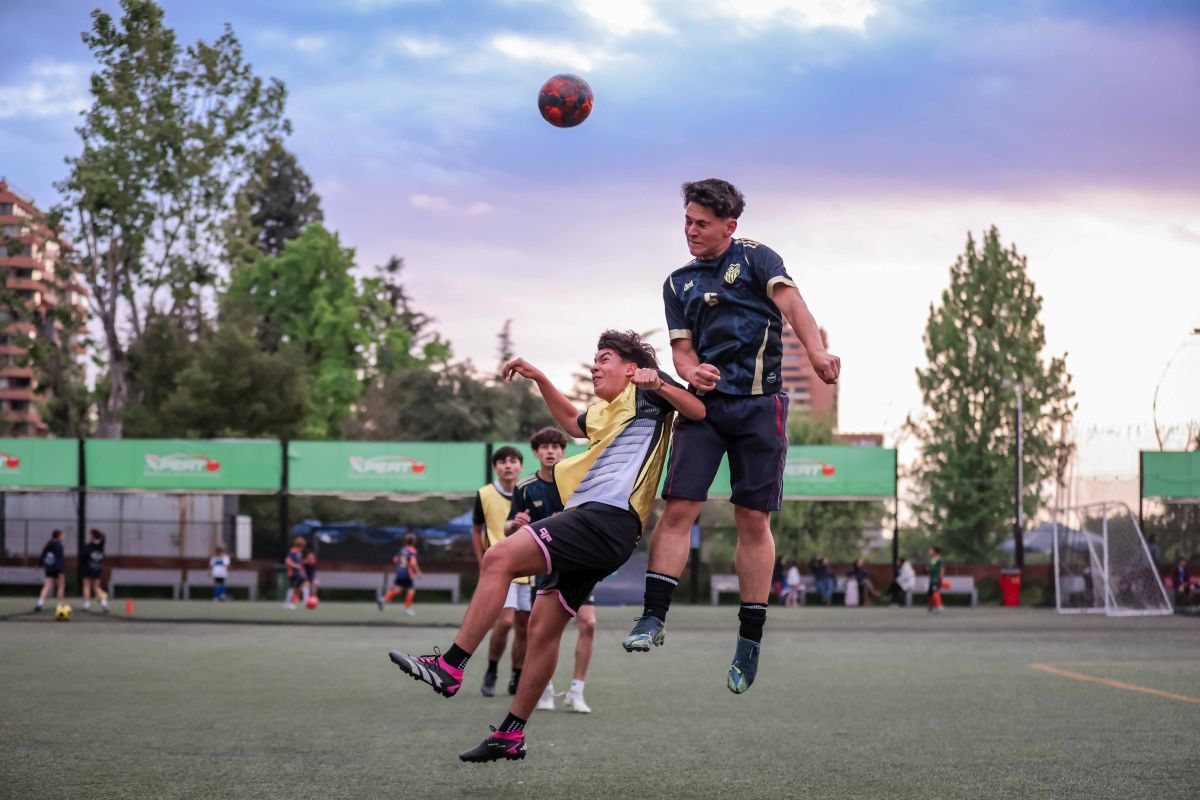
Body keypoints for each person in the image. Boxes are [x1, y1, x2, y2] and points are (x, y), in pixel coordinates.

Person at [387, 330, 704, 763]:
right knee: (542, 629)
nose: (595, 366)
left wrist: (661, 383)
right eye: (594, 359)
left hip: (605, 518)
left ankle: (450, 665)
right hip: (603, 529)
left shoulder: (649, 393)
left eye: (604, 358)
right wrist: (539, 377)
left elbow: (697, 410)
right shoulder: (607, 410)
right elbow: (573, 423)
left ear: (631, 368)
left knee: (499, 557)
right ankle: (510, 734)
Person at [623, 178, 840, 695]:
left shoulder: (758, 258)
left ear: (729, 226)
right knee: (679, 508)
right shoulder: (677, 283)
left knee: (752, 519)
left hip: (762, 407)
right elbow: (681, 352)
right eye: (687, 221)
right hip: (706, 409)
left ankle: (749, 640)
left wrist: (816, 353)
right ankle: (653, 617)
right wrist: (691, 371)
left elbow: (794, 307)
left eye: (702, 223)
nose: (691, 231)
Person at [507, 426, 596, 714]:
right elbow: (508, 527)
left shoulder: (577, 479)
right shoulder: (525, 487)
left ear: (563, 451)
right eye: (544, 447)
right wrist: (515, 524)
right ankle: (544, 690)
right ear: (535, 453)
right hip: (545, 565)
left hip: (578, 563)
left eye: (555, 447)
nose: (550, 451)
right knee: (542, 633)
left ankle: (576, 692)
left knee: (589, 624)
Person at [474, 445, 528, 697]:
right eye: (503, 461)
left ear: (521, 466)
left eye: (513, 461)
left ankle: (517, 674)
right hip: (501, 570)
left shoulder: (529, 491)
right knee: (505, 622)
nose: (508, 465)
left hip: (530, 569)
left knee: (524, 626)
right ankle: (492, 669)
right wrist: (482, 562)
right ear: (496, 467)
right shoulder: (484, 494)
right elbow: (476, 530)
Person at [379, 533, 421, 615]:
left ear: (406, 541)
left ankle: (382, 599)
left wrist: (401, 565)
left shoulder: (403, 549)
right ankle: (407, 609)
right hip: (407, 573)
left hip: (399, 572)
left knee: (398, 589)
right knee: (411, 590)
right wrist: (418, 572)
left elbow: (395, 559)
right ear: (414, 542)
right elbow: (413, 563)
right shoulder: (412, 550)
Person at [34, 529, 66, 612]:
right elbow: (59, 559)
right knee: (61, 586)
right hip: (57, 569)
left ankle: (39, 603)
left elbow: (43, 555)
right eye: (62, 535)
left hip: (49, 568)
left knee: (47, 586)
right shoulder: (59, 545)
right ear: (58, 536)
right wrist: (60, 570)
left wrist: (39, 564)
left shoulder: (49, 544)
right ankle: (60, 605)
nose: (63, 536)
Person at [81, 528, 110, 613]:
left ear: (93, 536)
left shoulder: (89, 546)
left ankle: (86, 605)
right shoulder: (101, 545)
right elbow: (103, 558)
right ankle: (104, 603)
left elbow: (83, 556)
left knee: (86, 585)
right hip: (97, 568)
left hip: (88, 568)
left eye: (90, 535)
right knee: (96, 587)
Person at [283, 537, 306, 610]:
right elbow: (287, 561)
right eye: (302, 545)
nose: (302, 547)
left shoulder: (299, 553)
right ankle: (289, 603)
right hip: (293, 573)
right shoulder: (292, 551)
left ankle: (290, 602)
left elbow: (300, 564)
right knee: (293, 588)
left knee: (300, 586)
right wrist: (295, 565)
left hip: (298, 574)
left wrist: (302, 571)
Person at [928, 546, 945, 614]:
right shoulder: (931, 559)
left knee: (935, 591)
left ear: (935, 551)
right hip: (931, 579)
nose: (929, 552)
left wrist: (941, 578)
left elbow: (942, 569)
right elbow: (931, 568)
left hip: (936, 578)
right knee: (930, 593)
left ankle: (939, 605)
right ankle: (931, 606)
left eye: (931, 550)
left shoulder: (940, 559)